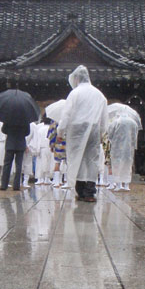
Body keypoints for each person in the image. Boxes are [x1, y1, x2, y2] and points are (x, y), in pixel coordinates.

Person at [57, 65, 108, 203]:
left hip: (76, 129)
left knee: (76, 158)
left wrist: (60, 131)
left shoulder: (75, 93)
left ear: (77, 78)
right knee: (92, 159)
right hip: (94, 128)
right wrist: (101, 133)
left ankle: (80, 191)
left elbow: (66, 114)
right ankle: (90, 192)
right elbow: (104, 117)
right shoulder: (99, 94)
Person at [108, 113, 138, 191]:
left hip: (117, 146)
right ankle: (126, 185)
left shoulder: (116, 122)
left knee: (117, 164)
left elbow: (110, 134)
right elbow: (135, 136)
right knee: (127, 164)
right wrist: (134, 145)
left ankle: (118, 184)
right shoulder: (133, 122)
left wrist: (112, 140)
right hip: (129, 147)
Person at [0, 122, 30, 191]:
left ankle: (4, 184)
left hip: (10, 142)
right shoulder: (25, 119)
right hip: (20, 143)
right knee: (19, 165)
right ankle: (16, 185)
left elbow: (3, 130)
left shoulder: (9, 118)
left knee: (7, 164)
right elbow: (27, 132)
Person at [47, 119, 66, 187]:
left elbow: (51, 134)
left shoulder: (55, 120)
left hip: (59, 144)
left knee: (57, 162)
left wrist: (51, 145)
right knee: (68, 163)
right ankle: (67, 181)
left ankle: (57, 182)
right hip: (69, 144)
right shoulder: (70, 118)